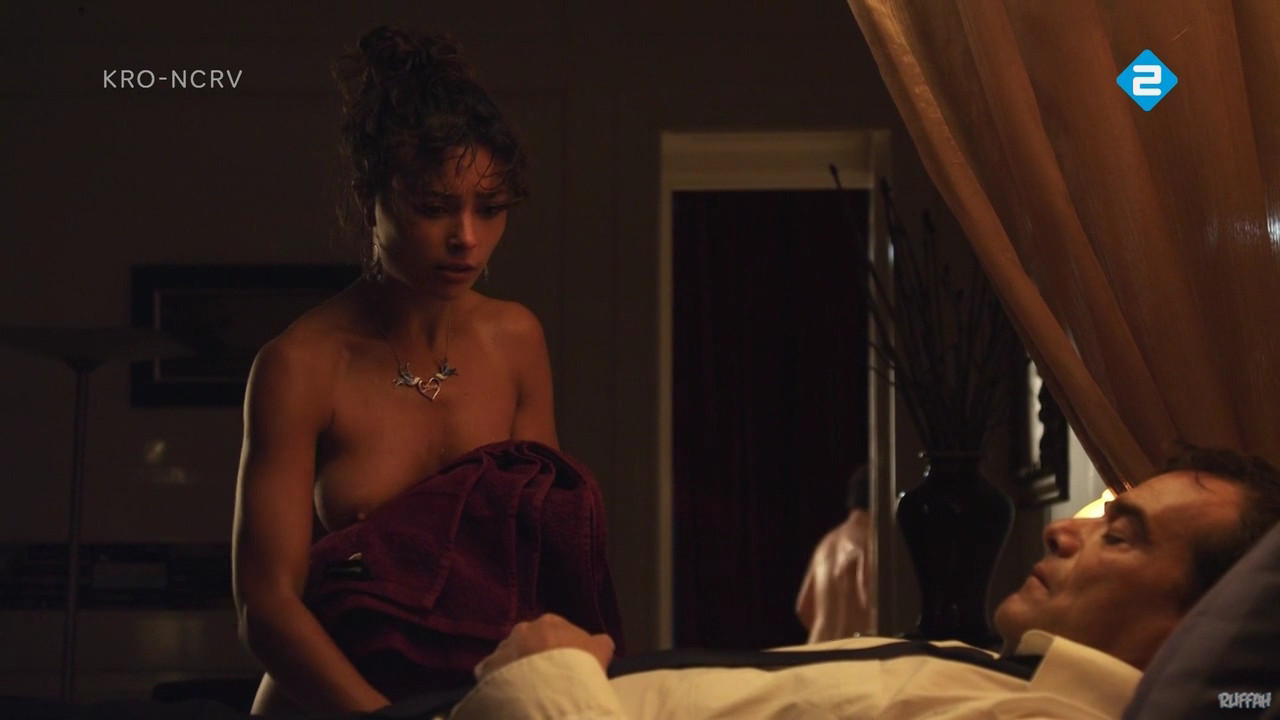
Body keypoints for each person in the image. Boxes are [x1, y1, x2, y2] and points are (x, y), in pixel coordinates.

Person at [231, 26, 622, 715]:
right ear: (370, 198)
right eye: (434, 208)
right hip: (330, 703)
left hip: (476, 700)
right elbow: (265, 604)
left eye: (490, 210)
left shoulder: (515, 340)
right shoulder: (301, 366)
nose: (466, 237)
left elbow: (543, 556)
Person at [442, 446, 1280, 719]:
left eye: (1119, 536)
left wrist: (544, 678)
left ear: (1195, 627)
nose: (1064, 528)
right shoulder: (996, 677)